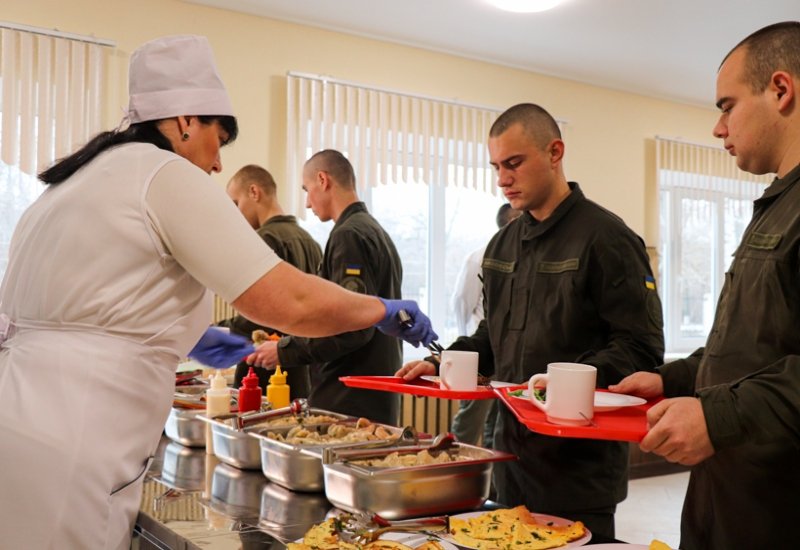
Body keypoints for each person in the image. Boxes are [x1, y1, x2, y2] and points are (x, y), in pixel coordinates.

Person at [0, 35, 434, 550]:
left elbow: (88, 314)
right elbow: (289, 301)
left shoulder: (67, 187)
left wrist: (188, 335)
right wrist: (380, 309)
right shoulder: (164, 174)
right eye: (218, 139)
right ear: (186, 120)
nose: (217, 164)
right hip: (75, 441)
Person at [397, 103, 664, 538]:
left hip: (581, 467)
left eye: (514, 163)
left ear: (555, 152)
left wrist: (559, 382)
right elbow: (492, 336)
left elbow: (641, 347)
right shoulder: (501, 245)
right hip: (510, 458)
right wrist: (442, 360)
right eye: (496, 166)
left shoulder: (608, 238)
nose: (502, 179)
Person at [610, 21, 800, 550]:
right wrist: (672, 379)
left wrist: (716, 416)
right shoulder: (778, 204)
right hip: (729, 500)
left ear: (781, 90)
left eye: (725, 105)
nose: (718, 128)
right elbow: (757, 350)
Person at [244, 149, 404, 425]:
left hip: (349, 395)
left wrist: (284, 350)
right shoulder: (373, 231)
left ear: (323, 180)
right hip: (370, 391)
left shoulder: (349, 236)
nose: (307, 203)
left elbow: (351, 322)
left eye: (307, 190)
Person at [220, 163, 323, 397]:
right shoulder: (311, 242)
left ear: (254, 192)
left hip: (263, 372)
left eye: (236, 204)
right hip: (300, 373)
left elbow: (258, 314)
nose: (235, 214)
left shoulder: (261, 240)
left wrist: (219, 331)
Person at [449, 202, 520, 446]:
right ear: (511, 223)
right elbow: (461, 302)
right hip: (481, 349)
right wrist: (465, 346)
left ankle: (492, 479)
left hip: (511, 355)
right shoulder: (480, 257)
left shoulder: (527, 257)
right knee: (471, 418)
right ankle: (454, 468)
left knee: (499, 421)